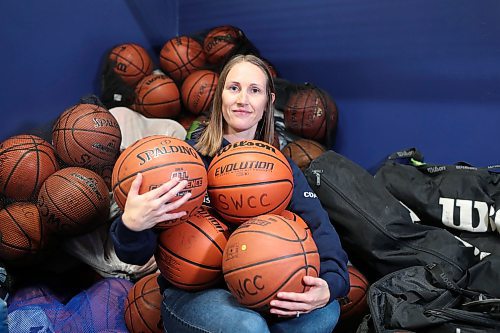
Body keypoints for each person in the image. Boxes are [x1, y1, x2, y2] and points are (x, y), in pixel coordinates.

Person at [110, 54, 349, 333]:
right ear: (220, 96)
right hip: (196, 294)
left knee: (323, 313)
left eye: (254, 90)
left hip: (262, 284)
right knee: (249, 327)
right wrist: (132, 225)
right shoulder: (188, 161)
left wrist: (330, 284)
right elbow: (134, 254)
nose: (242, 99)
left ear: (267, 103)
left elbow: (320, 228)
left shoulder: (281, 170)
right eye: (233, 88)